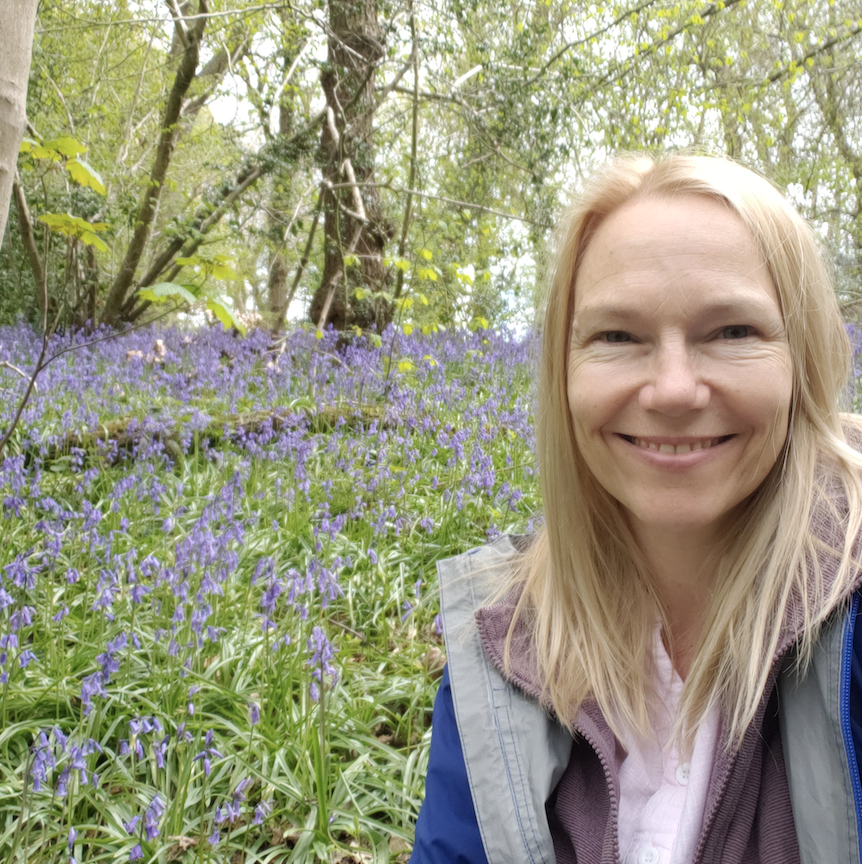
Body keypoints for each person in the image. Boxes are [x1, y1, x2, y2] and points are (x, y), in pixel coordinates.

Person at [410, 153, 862, 864]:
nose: (673, 390)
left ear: (803, 361)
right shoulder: (505, 651)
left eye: (733, 331)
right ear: (565, 371)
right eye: (618, 336)